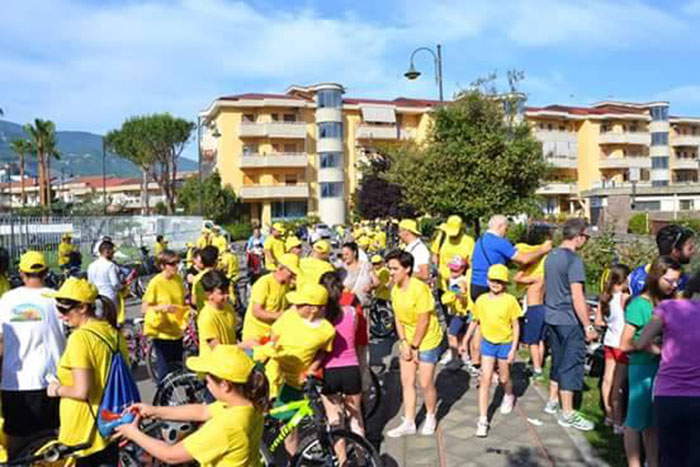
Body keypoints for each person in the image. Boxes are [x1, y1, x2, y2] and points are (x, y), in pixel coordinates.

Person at [116, 345, 268, 466]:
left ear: (225, 385)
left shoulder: (227, 426)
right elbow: (202, 411)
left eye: (207, 379)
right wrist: (155, 411)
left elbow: (170, 455)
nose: (205, 383)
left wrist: (133, 433)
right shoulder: (247, 404)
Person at [45, 277, 127, 466]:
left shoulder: (80, 339)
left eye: (64, 309)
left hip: (84, 430)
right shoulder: (112, 332)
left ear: (83, 307)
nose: (60, 315)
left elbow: (81, 391)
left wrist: (56, 389)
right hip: (110, 424)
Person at [0, 251, 65, 458]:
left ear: (21, 273)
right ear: (46, 272)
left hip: (16, 381)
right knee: (55, 440)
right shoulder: (58, 298)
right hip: (53, 382)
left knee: (17, 438)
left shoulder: (7, 299)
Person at [619, 256, 681, 467]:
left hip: (660, 372)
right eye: (669, 281)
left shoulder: (666, 303)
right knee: (635, 422)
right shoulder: (639, 305)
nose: (673, 286)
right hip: (642, 370)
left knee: (652, 424)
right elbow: (625, 344)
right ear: (656, 276)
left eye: (676, 282)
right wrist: (656, 348)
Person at [471, 215, 551, 376]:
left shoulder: (480, 240)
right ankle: (495, 364)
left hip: (476, 285)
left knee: (479, 325)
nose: (506, 233)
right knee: (497, 325)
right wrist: (542, 249)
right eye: (506, 229)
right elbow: (523, 259)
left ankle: (476, 361)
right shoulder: (499, 242)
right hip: (491, 285)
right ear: (500, 227)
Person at [637, 271, 700, 467]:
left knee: (670, 456)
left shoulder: (667, 308)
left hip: (668, 392)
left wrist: (663, 351)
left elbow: (641, 343)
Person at [542, 218, 597, 431]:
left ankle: (552, 400)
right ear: (579, 237)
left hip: (552, 317)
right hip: (569, 320)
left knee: (557, 359)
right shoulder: (574, 261)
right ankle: (568, 413)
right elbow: (577, 296)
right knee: (571, 364)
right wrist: (587, 326)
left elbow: (551, 286)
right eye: (586, 237)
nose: (586, 241)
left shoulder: (551, 256)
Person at [267, 283, 336, 454]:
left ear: (313, 309)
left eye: (300, 304)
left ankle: (292, 459)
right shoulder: (289, 316)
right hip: (273, 374)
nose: (295, 306)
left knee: (289, 425)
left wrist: (312, 368)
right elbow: (272, 339)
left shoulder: (327, 330)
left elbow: (322, 353)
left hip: (295, 382)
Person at [386, 250, 444, 438]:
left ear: (407, 269)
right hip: (408, 339)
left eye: (395, 268)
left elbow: (424, 320)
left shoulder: (419, 288)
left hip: (427, 339)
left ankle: (430, 415)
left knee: (425, 382)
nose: (391, 272)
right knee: (407, 381)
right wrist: (403, 342)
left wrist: (415, 346)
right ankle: (409, 421)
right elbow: (398, 318)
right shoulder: (395, 290)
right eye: (390, 268)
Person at [462, 264, 522, 437]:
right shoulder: (481, 300)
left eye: (499, 281)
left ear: (504, 283)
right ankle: (482, 419)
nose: (495, 283)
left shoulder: (510, 301)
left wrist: (513, 349)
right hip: (487, 343)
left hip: (505, 343)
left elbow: (516, 326)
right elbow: (475, 321)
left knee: (504, 377)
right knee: (485, 378)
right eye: (492, 280)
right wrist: (465, 340)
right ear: (487, 281)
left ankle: (509, 394)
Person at [320, 271, 365, 443]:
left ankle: (342, 460)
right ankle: (363, 459)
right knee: (356, 419)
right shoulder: (352, 312)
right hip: (351, 369)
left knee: (335, 421)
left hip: (329, 371)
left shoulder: (321, 317)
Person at [141, 250, 188, 382]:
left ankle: (178, 401)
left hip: (177, 330)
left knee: (178, 371)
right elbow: (144, 309)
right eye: (172, 264)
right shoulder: (155, 283)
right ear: (162, 266)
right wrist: (162, 308)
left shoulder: (178, 279)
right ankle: (162, 401)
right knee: (164, 374)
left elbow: (181, 301)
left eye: (177, 263)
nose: (176, 266)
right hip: (162, 333)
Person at [594, 264, 631, 434]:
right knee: (619, 384)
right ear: (623, 279)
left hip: (609, 341)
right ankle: (618, 421)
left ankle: (608, 414)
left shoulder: (605, 297)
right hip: (622, 344)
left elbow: (598, 322)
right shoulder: (625, 297)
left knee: (607, 379)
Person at [514, 227, 552, 381]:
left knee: (532, 342)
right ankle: (538, 364)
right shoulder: (545, 275)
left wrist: (526, 265)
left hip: (534, 309)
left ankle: (536, 369)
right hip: (544, 308)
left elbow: (517, 278)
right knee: (541, 340)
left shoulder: (536, 277)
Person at [241, 253, 299, 344]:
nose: (293, 276)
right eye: (291, 273)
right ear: (280, 268)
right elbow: (256, 311)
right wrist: (279, 315)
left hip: (272, 336)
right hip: (255, 337)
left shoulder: (287, 285)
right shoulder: (264, 282)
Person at [629, 224, 695, 296]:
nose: (693, 252)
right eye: (690, 248)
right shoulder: (684, 282)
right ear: (675, 251)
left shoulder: (636, 274)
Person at [432, 215, 475, 297]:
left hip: (460, 285)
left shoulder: (469, 242)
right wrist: (435, 268)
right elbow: (435, 253)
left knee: (458, 308)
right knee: (443, 307)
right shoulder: (442, 237)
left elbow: (471, 264)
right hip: (442, 283)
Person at [439, 255, 471, 368]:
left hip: (459, 312)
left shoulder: (462, 281)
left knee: (451, 335)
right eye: (451, 268)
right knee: (460, 334)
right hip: (454, 311)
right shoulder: (452, 278)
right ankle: (464, 354)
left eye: (456, 269)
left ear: (462, 269)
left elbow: (464, 296)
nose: (452, 271)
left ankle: (455, 358)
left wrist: (459, 295)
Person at [197, 270, 237, 356]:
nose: (226, 296)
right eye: (221, 293)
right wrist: (240, 347)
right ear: (209, 295)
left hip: (229, 360)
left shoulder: (228, 308)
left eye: (227, 291)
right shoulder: (206, 316)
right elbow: (215, 346)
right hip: (213, 365)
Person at [87, 239, 123, 311]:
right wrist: (121, 287)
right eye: (112, 251)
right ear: (107, 251)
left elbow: (90, 282)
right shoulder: (110, 265)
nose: (113, 254)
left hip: (97, 297)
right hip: (109, 296)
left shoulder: (91, 266)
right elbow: (115, 283)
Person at [340, 242, 373, 307]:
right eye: (342, 255)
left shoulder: (365, 266)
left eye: (347, 254)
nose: (344, 257)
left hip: (363, 306)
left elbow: (377, 282)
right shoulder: (341, 269)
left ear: (354, 253)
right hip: (347, 307)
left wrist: (371, 286)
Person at [192, 245, 219, 313]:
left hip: (202, 315)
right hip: (219, 314)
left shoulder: (197, 278)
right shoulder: (219, 276)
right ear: (216, 261)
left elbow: (194, 301)